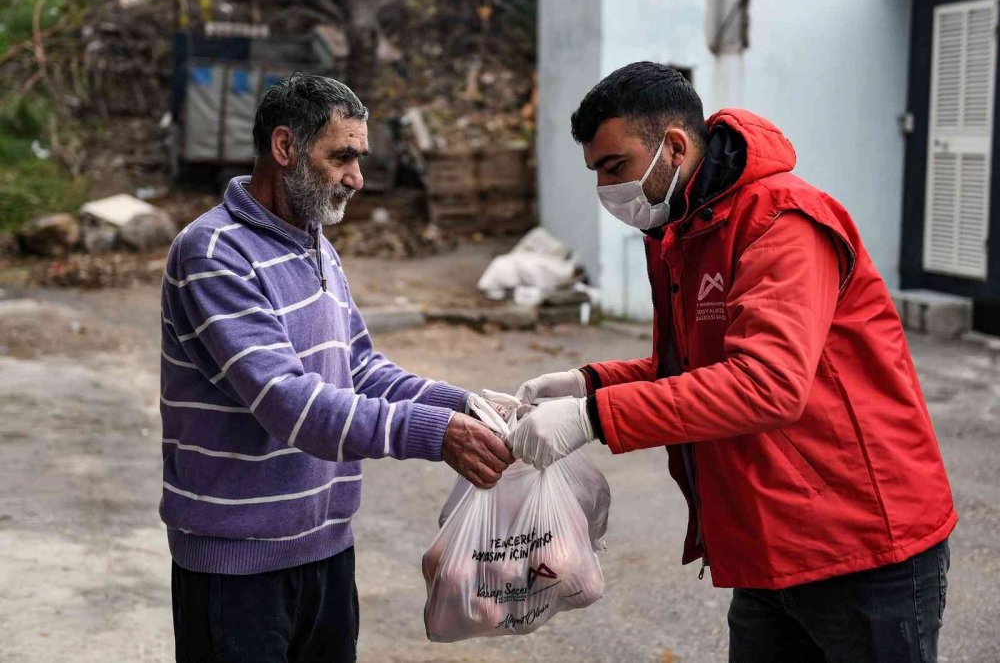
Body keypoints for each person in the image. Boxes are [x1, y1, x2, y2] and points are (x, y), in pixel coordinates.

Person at [508, 62, 956, 662]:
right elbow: (696, 369)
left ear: (673, 145)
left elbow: (767, 384)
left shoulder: (782, 219)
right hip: (770, 541)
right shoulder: (689, 228)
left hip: (862, 545)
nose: (605, 190)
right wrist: (587, 383)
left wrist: (592, 417)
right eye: (596, 172)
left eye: (614, 168)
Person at [159, 73, 513, 663]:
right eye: (342, 156)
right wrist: (435, 435)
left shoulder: (315, 242)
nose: (357, 177)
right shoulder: (213, 252)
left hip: (324, 548)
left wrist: (467, 406)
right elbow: (287, 401)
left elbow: (361, 368)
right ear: (284, 148)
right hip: (237, 567)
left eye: (360, 157)